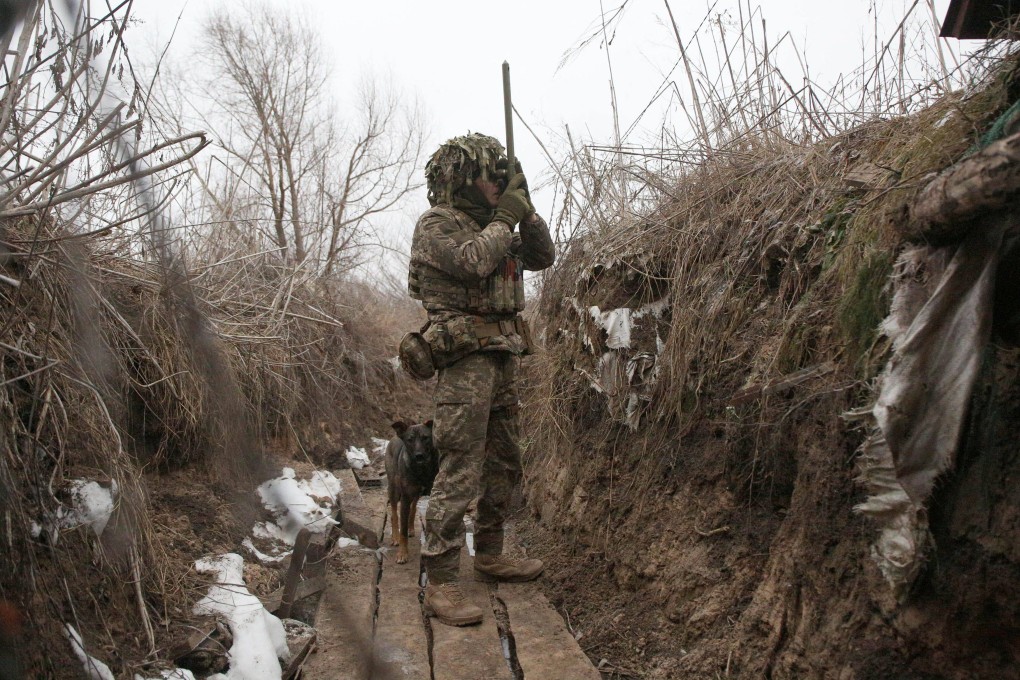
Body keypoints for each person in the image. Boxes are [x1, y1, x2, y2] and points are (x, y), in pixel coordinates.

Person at [407, 132, 555, 627]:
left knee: (505, 460)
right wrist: (505, 217)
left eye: (502, 175)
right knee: (460, 466)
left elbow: (542, 256)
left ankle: (490, 552)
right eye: (490, 175)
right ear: (460, 178)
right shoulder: (439, 224)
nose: (497, 183)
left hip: (503, 357)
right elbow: (472, 262)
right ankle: (442, 580)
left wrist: (525, 209)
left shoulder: (497, 224)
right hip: (465, 362)